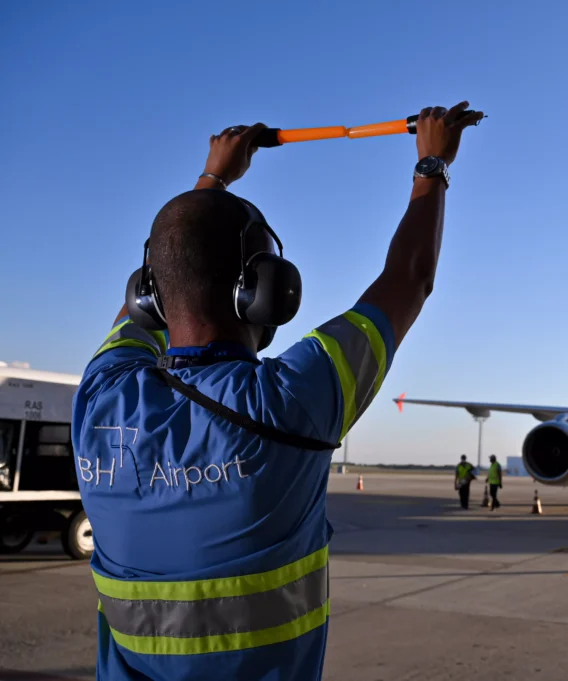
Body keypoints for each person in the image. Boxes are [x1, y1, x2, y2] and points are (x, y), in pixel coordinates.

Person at [71, 102, 483, 681]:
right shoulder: (290, 402)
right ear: (264, 293)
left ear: (151, 296)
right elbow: (410, 278)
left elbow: (163, 277)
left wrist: (211, 178)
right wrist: (433, 162)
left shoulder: (100, 400)